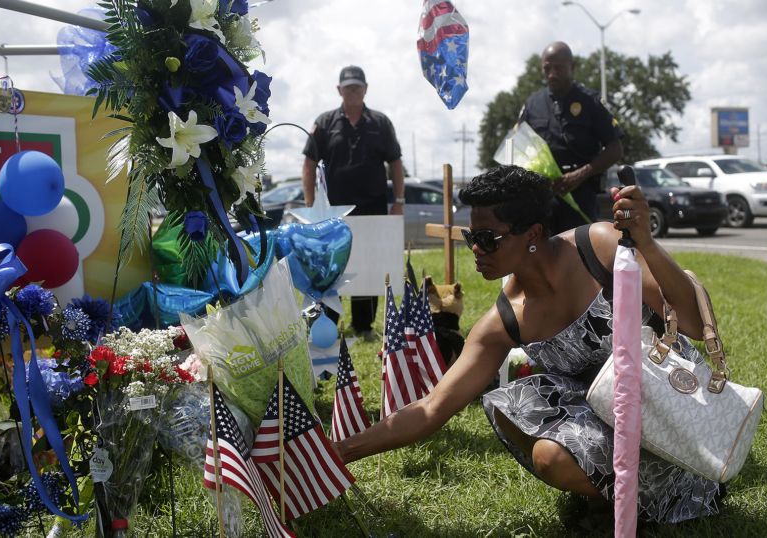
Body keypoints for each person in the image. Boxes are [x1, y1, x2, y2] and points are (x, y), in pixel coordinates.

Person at [333, 165, 725, 528]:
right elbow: (432, 408)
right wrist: (338, 452)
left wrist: (647, 245)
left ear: (533, 234)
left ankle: (644, 493)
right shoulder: (504, 320)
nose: (475, 249)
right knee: (521, 413)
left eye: (488, 238)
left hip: (674, 412)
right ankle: (616, 497)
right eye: (472, 237)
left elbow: (690, 322)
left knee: (546, 413)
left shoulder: (600, 248)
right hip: (607, 419)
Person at [302, 65, 405, 340]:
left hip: (372, 209)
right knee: (332, 267)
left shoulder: (380, 122)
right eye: (349, 87)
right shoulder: (324, 122)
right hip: (333, 211)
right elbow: (310, 163)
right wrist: (312, 204)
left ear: (366, 89)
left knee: (368, 266)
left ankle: (364, 326)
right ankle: (327, 325)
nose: (354, 91)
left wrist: (399, 201)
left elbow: (395, 162)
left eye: (358, 86)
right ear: (340, 90)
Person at [518, 42, 624, 235]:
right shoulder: (533, 104)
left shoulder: (591, 101)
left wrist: (580, 175)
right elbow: (518, 148)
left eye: (558, 68)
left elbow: (615, 149)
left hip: (581, 194)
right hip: (542, 197)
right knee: (543, 257)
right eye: (546, 68)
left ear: (572, 66)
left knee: (581, 255)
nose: (551, 74)